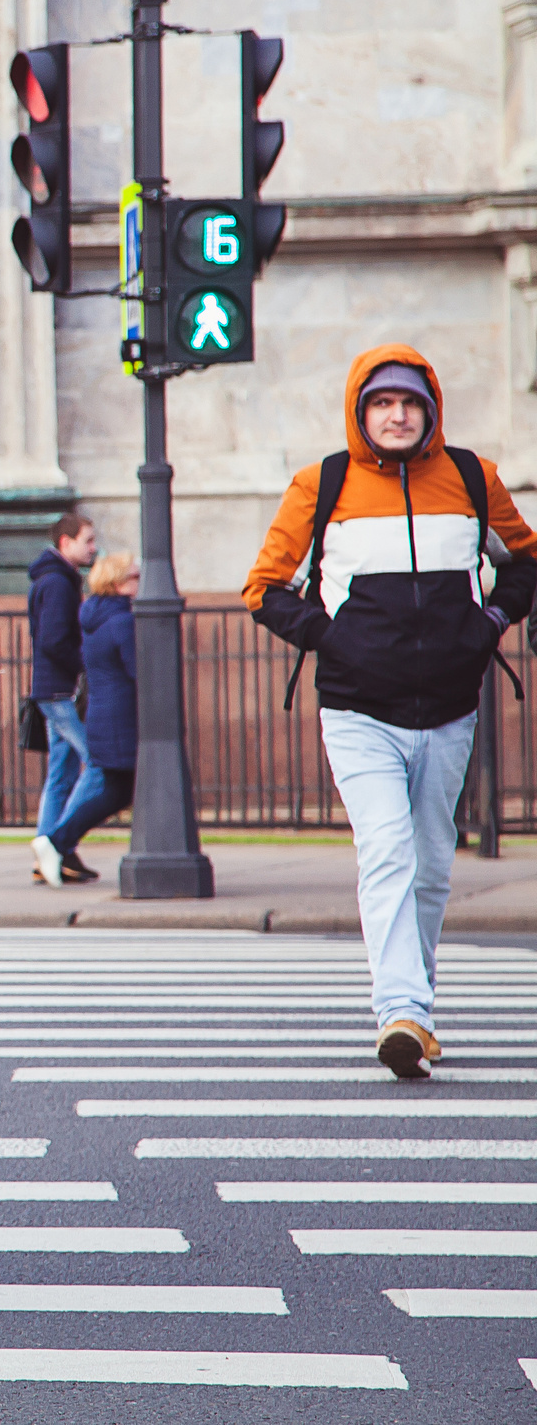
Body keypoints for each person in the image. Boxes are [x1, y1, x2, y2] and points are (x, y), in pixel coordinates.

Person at [243, 346, 537, 1079]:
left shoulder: (473, 477)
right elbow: (264, 587)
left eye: (409, 403)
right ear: (360, 411)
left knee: (433, 866)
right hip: (356, 709)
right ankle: (399, 1011)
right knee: (388, 853)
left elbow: (526, 559)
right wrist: (330, 637)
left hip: (448, 706)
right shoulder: (322, 485)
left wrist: (491, 619)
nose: (397, 414)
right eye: (382, 403)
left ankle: (418, 1009)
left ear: (430, 411)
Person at [32, 553, 138, 884]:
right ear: (118, 582)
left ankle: (54, 846)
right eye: (134, 576)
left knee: (67, 776)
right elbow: (137, 671)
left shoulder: (93, 615)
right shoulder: (118, 620)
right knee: (99, 774)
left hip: (95, 708)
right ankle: (55, 842)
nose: (140, 580)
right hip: (97, 708)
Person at [27, 510, 98, 886]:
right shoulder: (57, 583)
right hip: (59, 691)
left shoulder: (57, 579)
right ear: (65, 542)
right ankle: (59, 844)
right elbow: (54, 640)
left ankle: (50, 855)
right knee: (97, 765)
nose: (93, 547)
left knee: (62, 773)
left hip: (53, 689)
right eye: (87, 540)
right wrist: (87, 663)